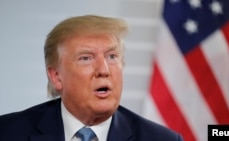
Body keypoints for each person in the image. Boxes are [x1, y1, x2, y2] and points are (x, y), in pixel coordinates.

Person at [0, 15, 183, 141]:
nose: (103, 70)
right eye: (86, 58)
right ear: (56, 77)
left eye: (112, 56)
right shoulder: (7, 132)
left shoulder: (161, 139)